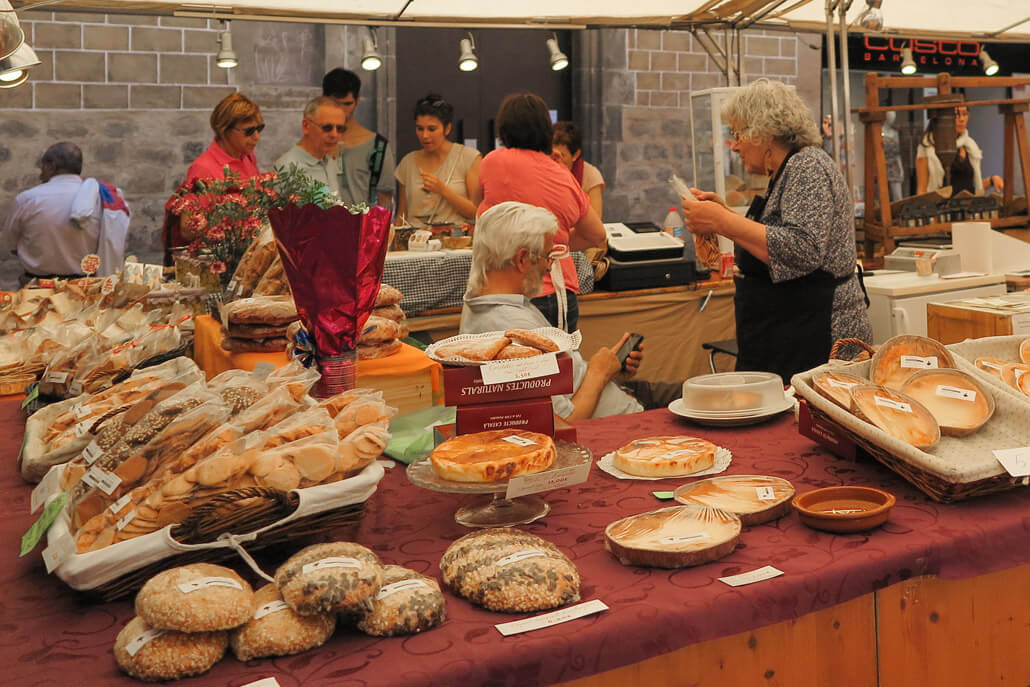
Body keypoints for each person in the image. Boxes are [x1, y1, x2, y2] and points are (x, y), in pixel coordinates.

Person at [681, 78, 872, 383]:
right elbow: (777, 237)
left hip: (821, 333)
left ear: (764, 133)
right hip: (793, 331)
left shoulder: (807, 167)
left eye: (739, 133)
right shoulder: (788, 172)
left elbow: (803, 248)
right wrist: (724, 214)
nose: (736, 145)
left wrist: (722, 221)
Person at [461, 201, 647, 421]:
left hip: (619, 403)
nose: (549, 266)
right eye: (547, 257)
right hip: (623, 427)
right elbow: (563, 423)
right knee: (691, 393)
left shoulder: (491, 305)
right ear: (522, 259)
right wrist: (599, 372)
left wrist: (610, 371)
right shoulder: (513, 330)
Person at [472, 93, 606, 333]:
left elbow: (477, 206)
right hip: (556, 290)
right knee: (561, 368)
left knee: (507, 366)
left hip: (506, 289)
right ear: (547, 130)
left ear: (503, 129)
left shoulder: (492, 162)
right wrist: (550, 247)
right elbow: (596, 234)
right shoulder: (561, 174)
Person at [3, 142, 130, 285]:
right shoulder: (99, 199)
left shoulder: (27, 199)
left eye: (42, 168)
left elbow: (12, 245)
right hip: (85, 289)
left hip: (37, 287)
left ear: (51, 167)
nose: (40, 174)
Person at [163, 92, 264, 264]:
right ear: (225, 130)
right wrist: (231, 222)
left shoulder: (247, 157)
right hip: (217, 262)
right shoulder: (204, 168)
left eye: (259, 129)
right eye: (249, 131)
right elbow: (187, 228)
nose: (257, 137)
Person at [394, 94, 481, 228]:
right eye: (420, 128)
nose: (425, 136)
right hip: (414, 243)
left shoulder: (468, 158)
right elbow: (402, 215)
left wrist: (443, 190)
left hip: (454, 243)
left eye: (432, 129)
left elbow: (476, 212)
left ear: (447, 129)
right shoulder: (408, 162)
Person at [323, 68, 395, 209]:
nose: (342, 110)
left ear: (357, 100)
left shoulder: (378, 147)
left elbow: (385, 202)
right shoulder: (314, 143)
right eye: (335, 103)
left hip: (363, 227)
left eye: (347, 104)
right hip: (320, 226)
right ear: (324, 100)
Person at [916, 105, 1003, 196]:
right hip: (941, 208)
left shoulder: (969, 146)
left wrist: (991, 180)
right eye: (956, 115)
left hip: (969, 207)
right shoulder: (927, 148)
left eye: (965, 114)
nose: (961, 119)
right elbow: (922, 191)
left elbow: (972, 186)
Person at [274, 96, 346, 197]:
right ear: (306, 126)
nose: (334, 134)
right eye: (327, 127)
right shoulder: (286, 168)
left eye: (340, 128)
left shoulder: (329, 161)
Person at [552, 121, 605, 218]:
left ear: (576, 155)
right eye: (550, 154)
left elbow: (595, 223)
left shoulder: (591, 176)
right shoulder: (541, 171)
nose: (555, 160)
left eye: (562, 155)